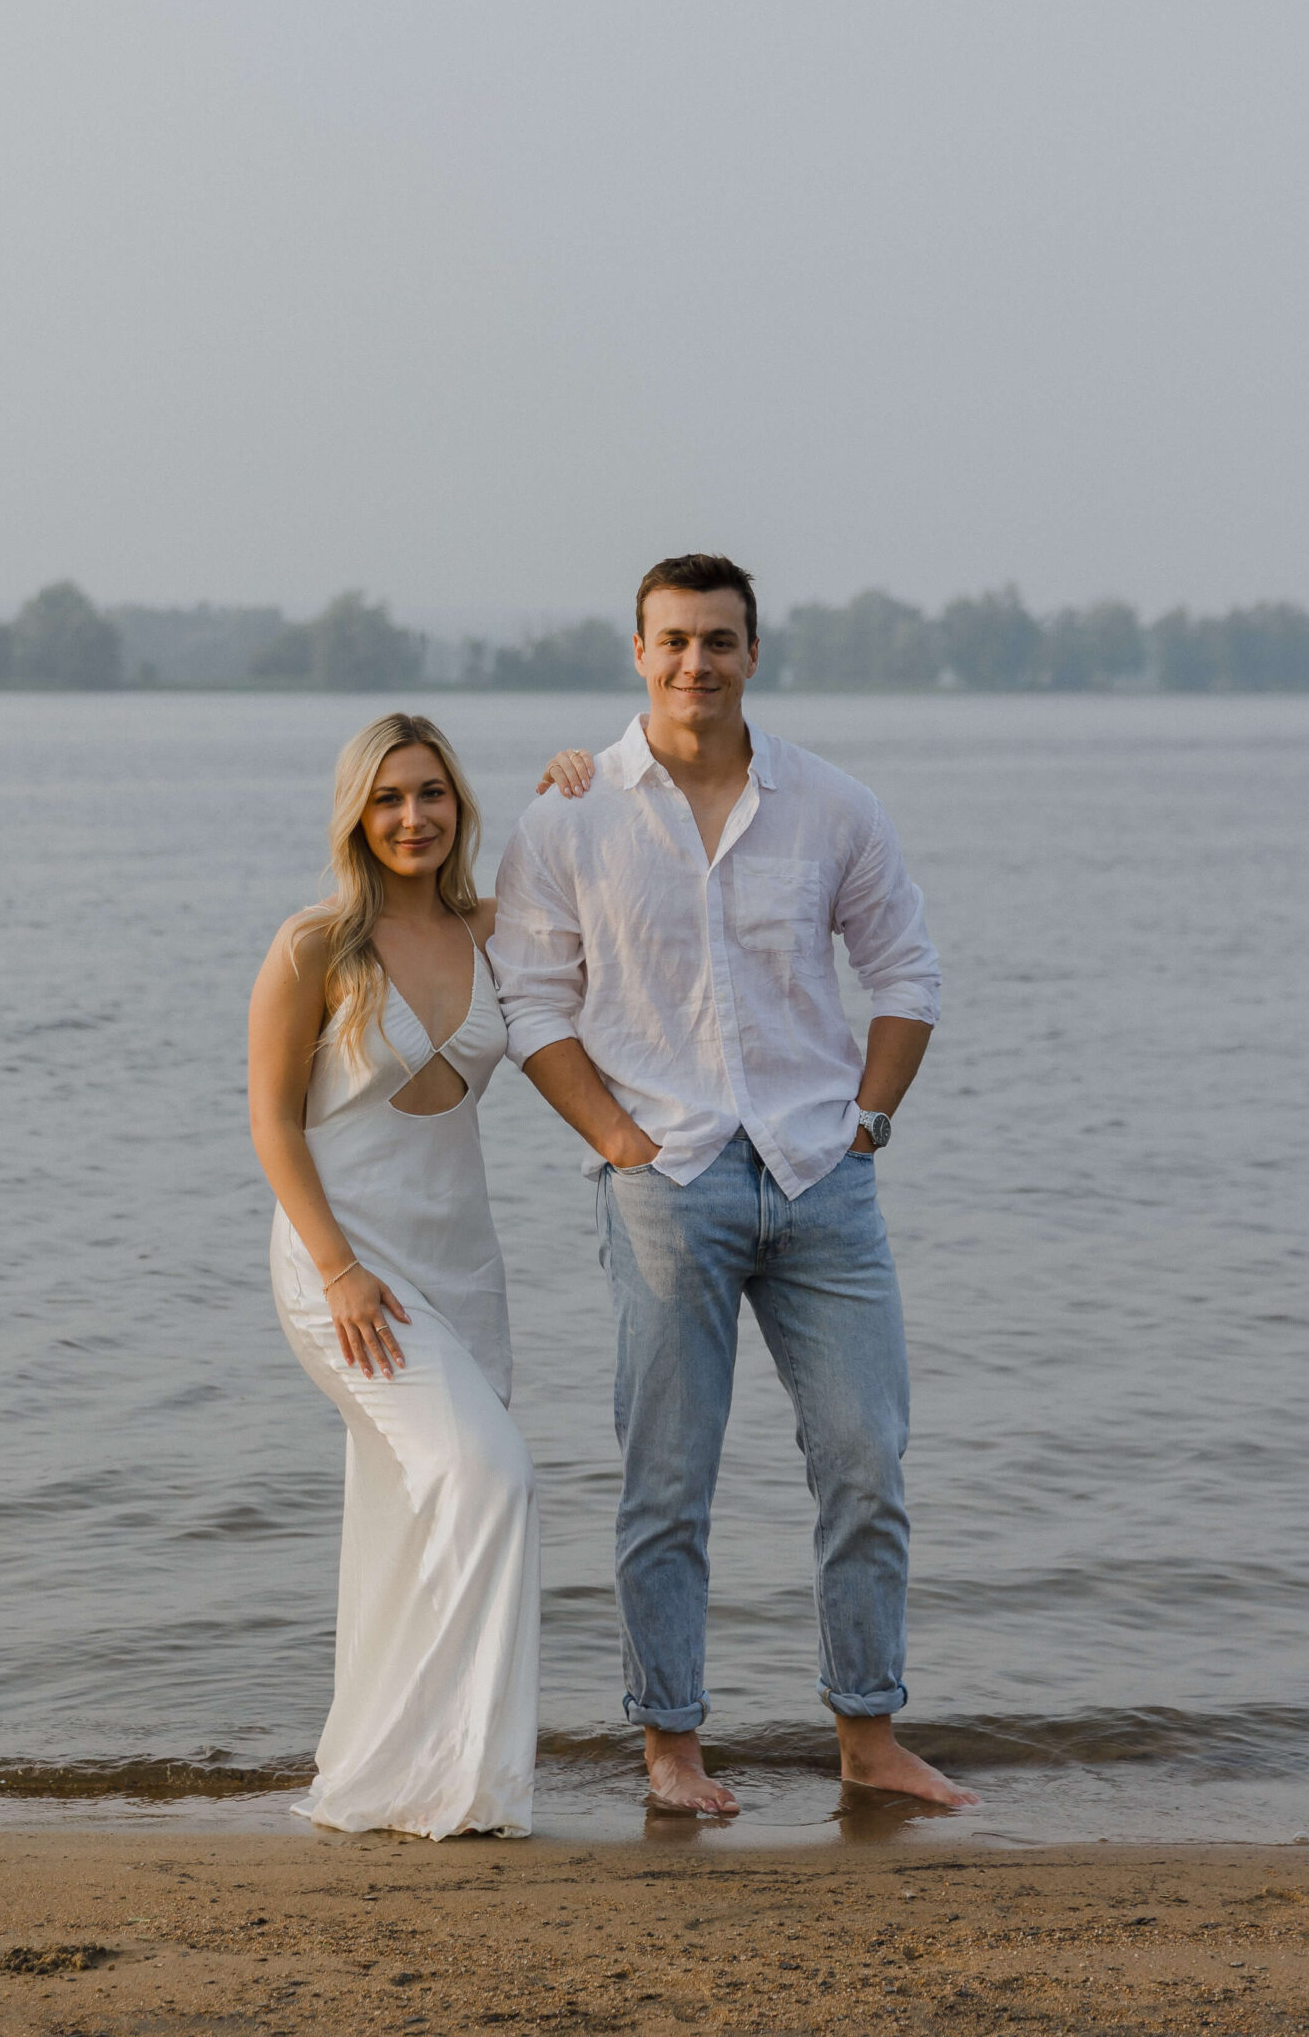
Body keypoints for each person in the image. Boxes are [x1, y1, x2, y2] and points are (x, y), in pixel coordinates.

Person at [490, 553, 979, 1818]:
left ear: (754, 653)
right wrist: (617, 1140)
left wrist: (870, 1117)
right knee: (668, 1478)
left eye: (718, 640)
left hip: (824, 1178)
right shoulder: (572, 814)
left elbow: (907, 971)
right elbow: (533, 1000)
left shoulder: (831, 805)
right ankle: (671, 1748)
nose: (694, 663)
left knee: (867, 1458)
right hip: (665, 1184)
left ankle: (868, 1737)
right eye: (672, 642)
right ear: (636, 654)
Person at [249, 710, 584, 1840]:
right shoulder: (313, 947)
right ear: (358, 813)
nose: (413, 817)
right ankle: (456, 1784)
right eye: (390, 798)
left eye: (432, 794)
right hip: (346, 1270)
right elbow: (272, 1126)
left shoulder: (496, 931)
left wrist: (583, 793)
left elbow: (615, 912)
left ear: (460, 806)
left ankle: (398, 1779)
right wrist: (338, 1270)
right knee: (494, 1479)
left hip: (462, 1273)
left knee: (411, 1513)